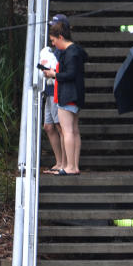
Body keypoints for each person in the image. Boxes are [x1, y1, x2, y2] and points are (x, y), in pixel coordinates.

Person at [43, 20, 87, 176]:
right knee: (74, 131)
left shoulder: (70, 52)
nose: (54, 45)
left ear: (60, 37)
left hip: (68, 94)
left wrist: (54, 74)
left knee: (68, 131)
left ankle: (70, 166)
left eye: (54, 41)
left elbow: (70, 74)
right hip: (76, 95)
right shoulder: (77, 51)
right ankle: (73, 165)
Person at [41, 14, 70, 174]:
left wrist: (52, 73)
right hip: (49, 90)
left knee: (60, 126)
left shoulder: (65, 49)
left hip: (58, 91)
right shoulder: (52, 47)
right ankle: (59, 161)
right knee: (48, 126)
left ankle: (65, 164)